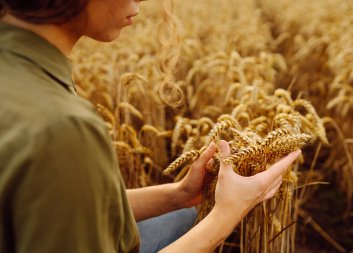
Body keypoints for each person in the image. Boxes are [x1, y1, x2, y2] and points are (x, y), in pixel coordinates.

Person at [0, 0, 301, 252]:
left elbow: (63, 208)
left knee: (181, 213)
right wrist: (227, 214)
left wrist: (180, 194)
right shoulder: (63, 129)